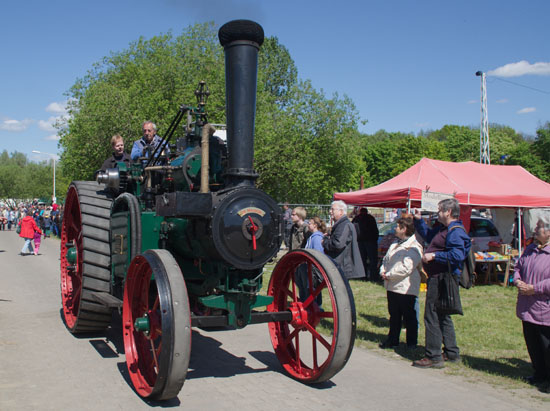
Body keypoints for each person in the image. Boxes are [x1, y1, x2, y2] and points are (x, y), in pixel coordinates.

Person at [411, 198, 471, 368]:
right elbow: (430, 236)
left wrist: (434, 256)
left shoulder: (455, 231)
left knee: (432, 315)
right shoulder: (444, 229)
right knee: (443, 314)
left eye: (439, 211)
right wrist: (418, 220)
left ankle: (433, 355)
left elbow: (457, 256)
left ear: (448, 212)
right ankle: (452, 352)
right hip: (439, 276)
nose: (437, 213)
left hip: (442, 277)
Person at [513, 218, 550, 386]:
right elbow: (518, 267)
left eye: (540, 227)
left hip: (544, 307)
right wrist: (518, 280)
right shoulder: (530, 248)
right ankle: (539, 373)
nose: (536, 229)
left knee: (545, 343)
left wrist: (535, 288)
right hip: (527, 305)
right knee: (532, 341)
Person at [379, 213, 423, 349]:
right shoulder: (395, 244)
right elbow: (386, 260)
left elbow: (407, 267)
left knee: (409, 316)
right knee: (394, 315)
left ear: (404, 229)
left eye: (398, 226)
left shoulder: (414, 247)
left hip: (405, 287)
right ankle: (393, 339)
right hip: (392, 286)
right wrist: (383, 270)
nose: (395, 229)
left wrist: (390, 274)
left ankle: (411, 343)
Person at [322, 200, 365, 280]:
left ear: (341, 211)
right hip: (341, 265)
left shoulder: (344, 225)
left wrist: (325, 241)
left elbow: (338, 244)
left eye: (332, 209)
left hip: (342, 266)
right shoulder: (342, 224)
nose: (330, 212)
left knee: (341, 291)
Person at [296, 216, 327, 304]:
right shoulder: (312, 237)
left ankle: (315, 304)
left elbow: (318, 255)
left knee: (311, 288)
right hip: (308, 267)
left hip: (312, 269)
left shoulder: (316, 238)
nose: (308, 225)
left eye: (310, 223)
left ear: (315, 225)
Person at [352, 207, 379, 281]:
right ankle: (373, 277)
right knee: (372, 260)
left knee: (362, 260)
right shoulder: (370, 218)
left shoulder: (356, 218)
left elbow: (353, 229)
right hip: (370, 241)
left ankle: (363, 276)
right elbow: (375, 230)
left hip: (360, 241)